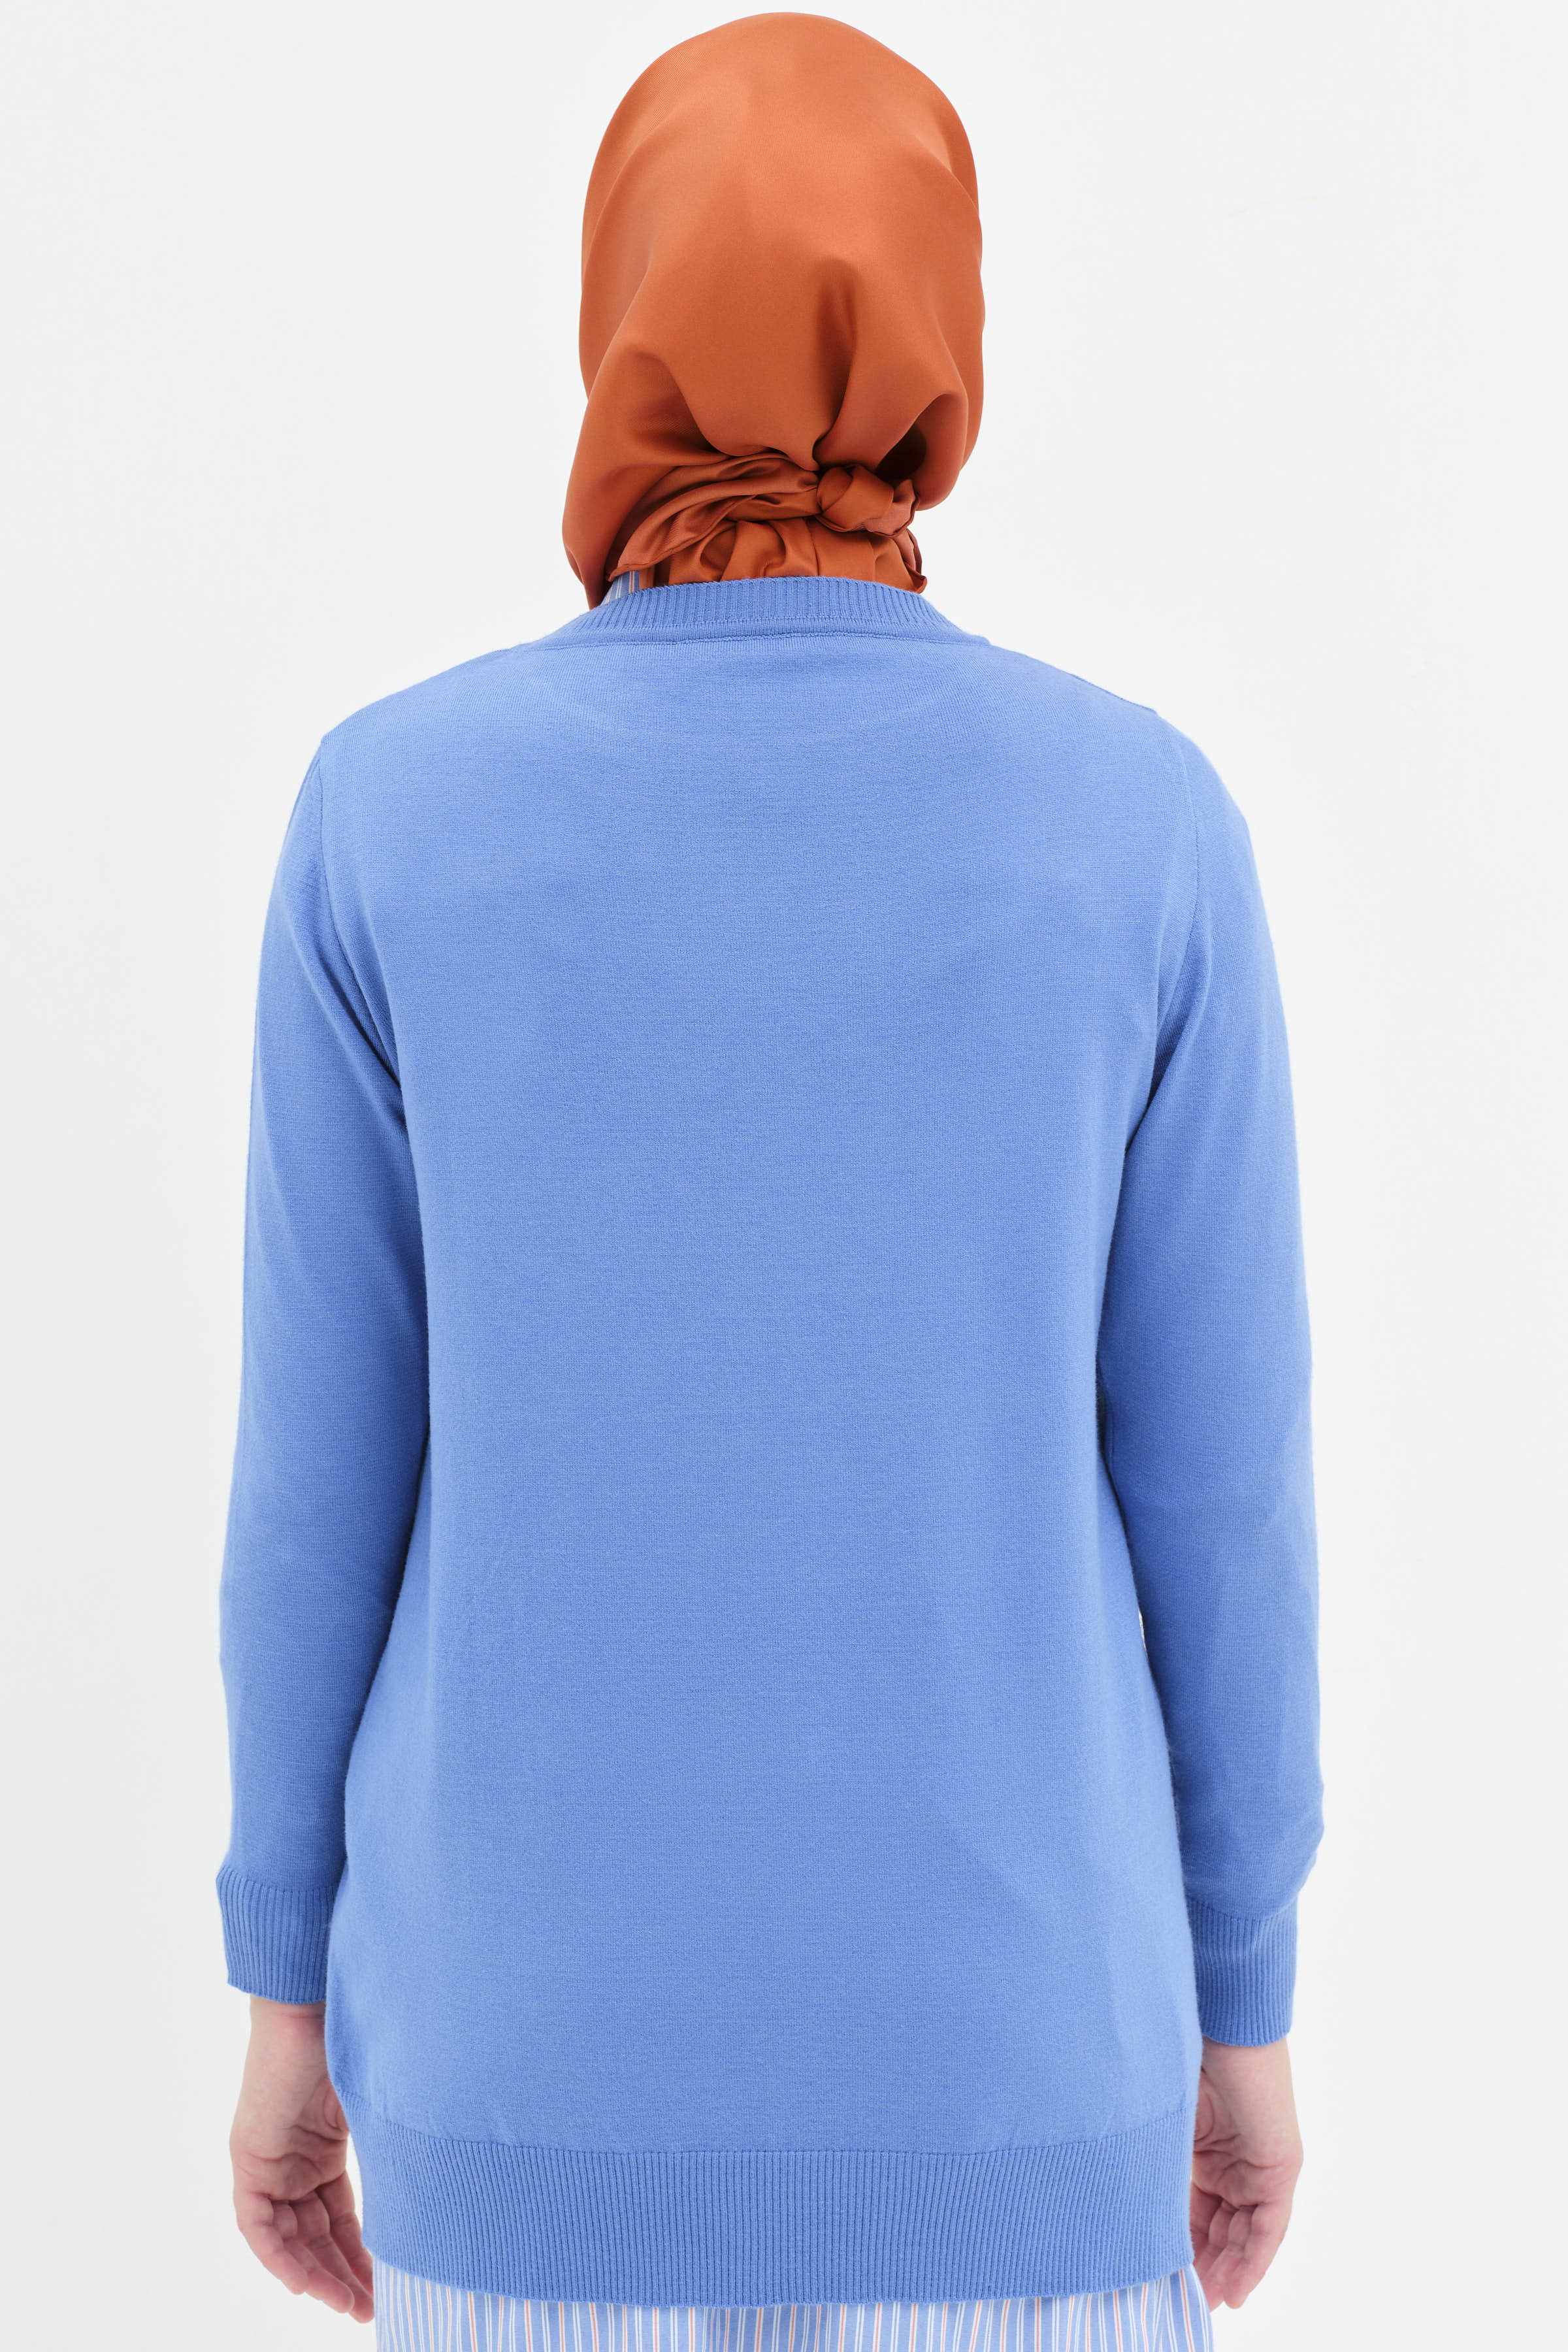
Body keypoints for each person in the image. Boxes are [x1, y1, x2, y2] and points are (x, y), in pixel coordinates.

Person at [220, 16, 1321, 2349]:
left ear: (613, 307)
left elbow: (319, 1488)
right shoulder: (1143, 826)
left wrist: (284, 2001)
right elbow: (1223, 1502)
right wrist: (1242, 2012)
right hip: (1027, 2093)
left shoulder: (386, 815)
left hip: (517, 2097)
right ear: (947, 325)